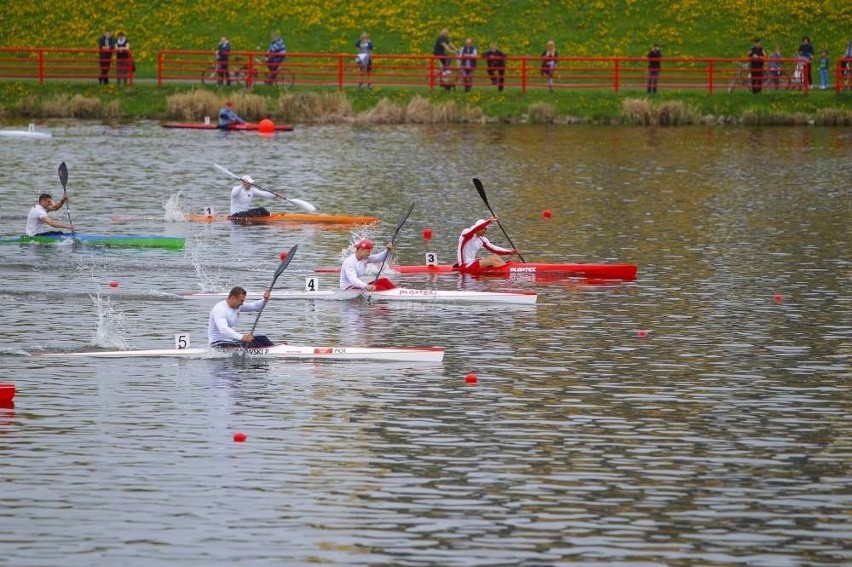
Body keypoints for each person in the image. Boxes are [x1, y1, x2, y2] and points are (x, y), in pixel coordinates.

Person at [208, 286, 273, 348]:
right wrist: (242, 337)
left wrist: (264, 300)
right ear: (233, 298)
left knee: (262, 338)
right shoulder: (220, 310)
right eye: (241, 300)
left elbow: (255, 306)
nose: (242, 303)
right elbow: (223, 329)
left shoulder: (237, 306)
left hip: (231, 341)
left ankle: (276, 350)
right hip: (218, 344)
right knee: (254, 344)